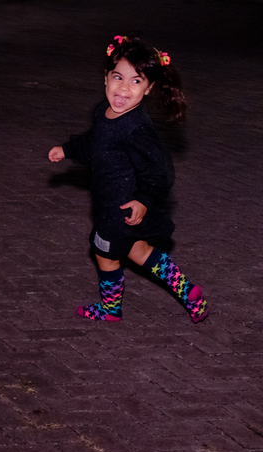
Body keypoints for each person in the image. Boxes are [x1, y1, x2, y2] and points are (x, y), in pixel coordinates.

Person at [48, 34, 208, 324]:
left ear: (148, 89)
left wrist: (144, 200)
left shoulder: (136, 129)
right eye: (118, 77)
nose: (124, 87)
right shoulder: (103, 112)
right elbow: (93, 141)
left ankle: (111, 310)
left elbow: (159, 171)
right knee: (138, 251)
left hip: (119, 210)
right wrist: (68, 149)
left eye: (136, 81)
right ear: (105, 79)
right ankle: (188, 291)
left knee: (104, 254)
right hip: (114, 206)